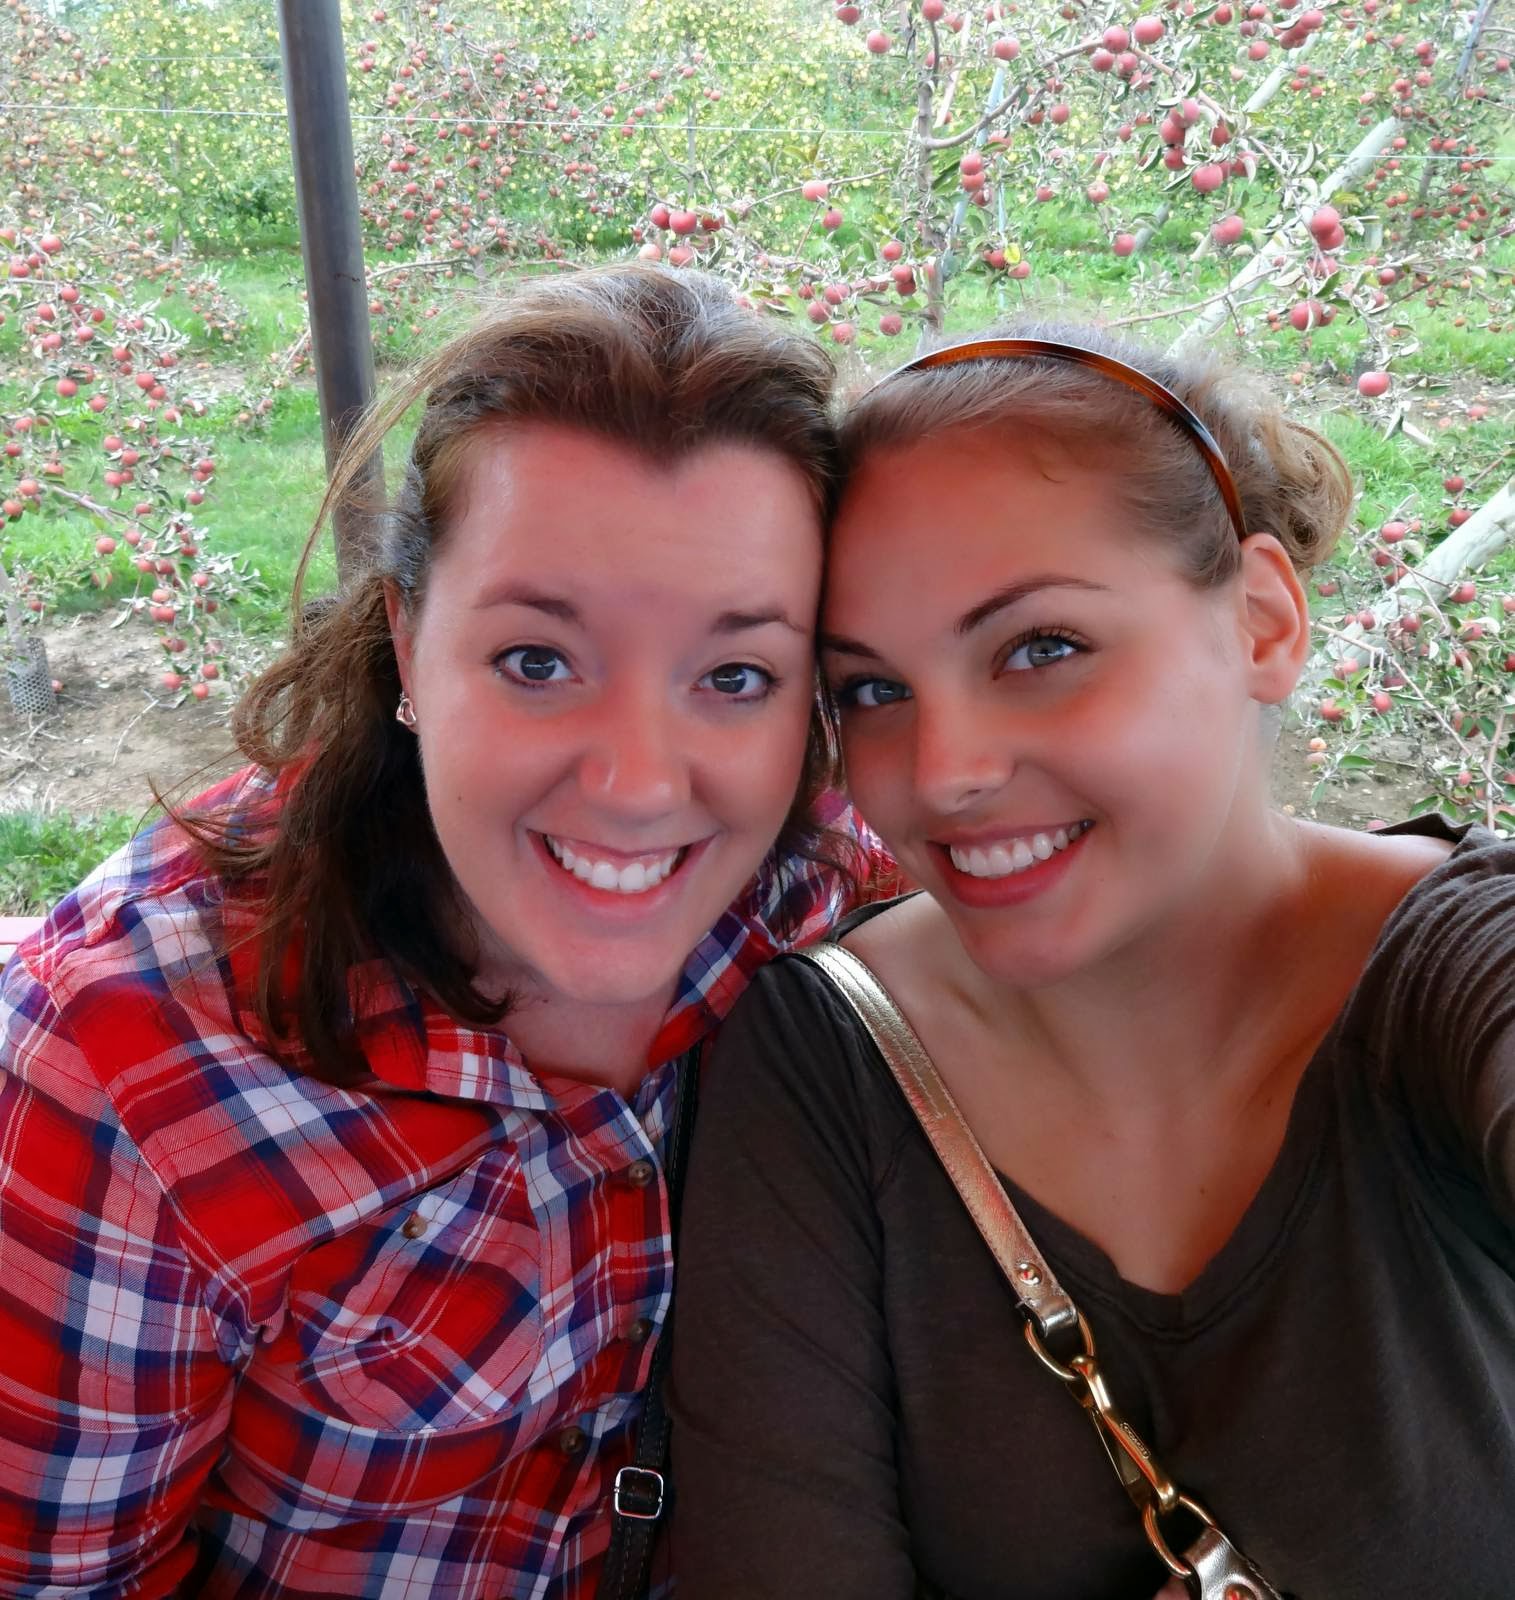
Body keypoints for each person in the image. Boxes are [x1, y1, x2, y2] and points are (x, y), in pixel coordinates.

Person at [0, 264, 884, 1599]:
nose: (638, 785)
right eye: (537, 661)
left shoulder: (824, 899)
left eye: (734, 675)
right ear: (408, 644)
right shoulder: (130, 1071)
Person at [669, 324, 1515, 1599]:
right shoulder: (823, 1064)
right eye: (873, 690)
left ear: (1262, 621)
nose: (944, 771)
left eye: (1041, 647)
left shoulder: (1466, 976)